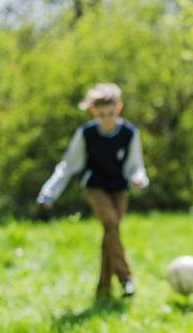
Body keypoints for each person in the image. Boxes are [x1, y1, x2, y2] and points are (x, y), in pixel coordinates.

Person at [37, 82, 149, 299]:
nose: (107, 119)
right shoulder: (86, 133)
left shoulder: (129, 133)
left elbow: (136, 165)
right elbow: (68, 165)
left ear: (119, 109)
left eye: (111, 113)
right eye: (102, 114)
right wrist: (49, 192)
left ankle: (104, 288)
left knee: (111, 233)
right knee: (110, 223)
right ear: (94, 112)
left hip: (119, 188)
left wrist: (139, 178)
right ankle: (127, 278)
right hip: (96, 186)